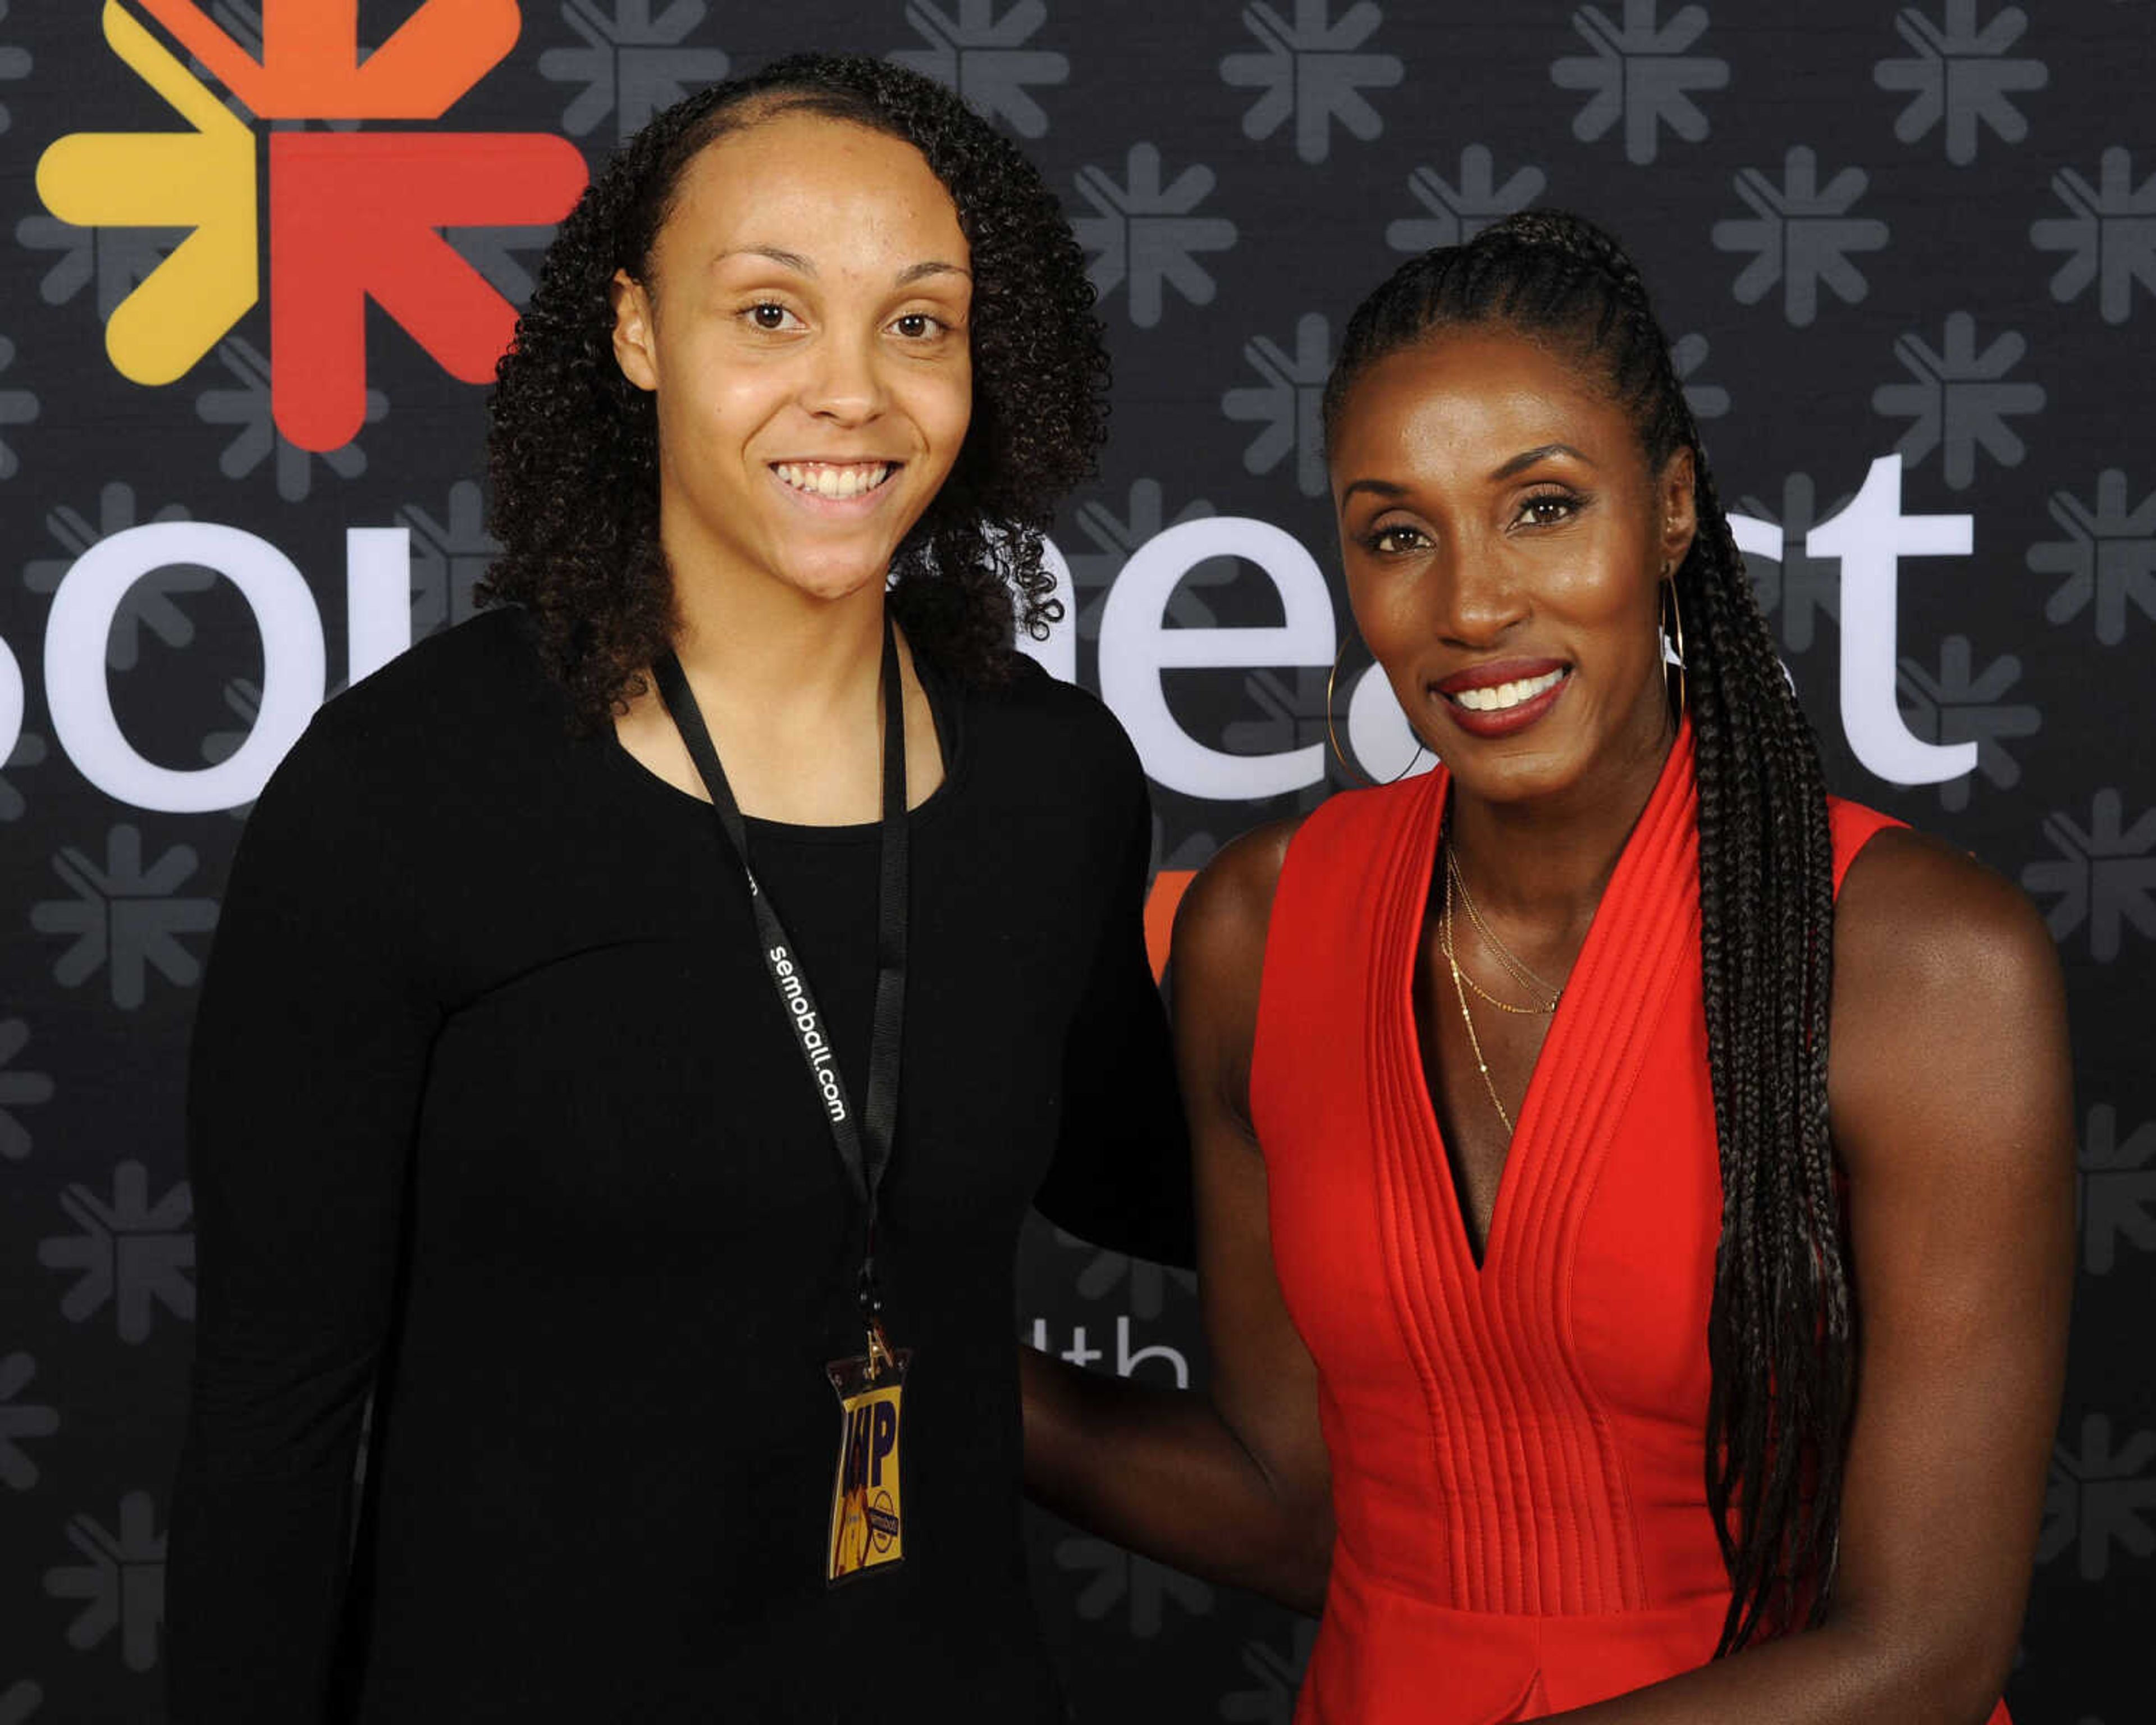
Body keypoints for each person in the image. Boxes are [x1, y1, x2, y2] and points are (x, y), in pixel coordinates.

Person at [168, 54, 1188, 1724]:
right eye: (771, 315)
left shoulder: (1050, 778)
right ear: (638, 333)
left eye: (917, 323)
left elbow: (1149, 1174)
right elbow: (272, 1427)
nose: (852, 392)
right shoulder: (405, 792)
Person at [1022, 212, 2072, 1723]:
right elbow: (1289, 1505)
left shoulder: (1929, 971)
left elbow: (1925, 1652)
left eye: (1543, 509)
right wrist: (887, 1361)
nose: (1470, 607)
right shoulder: (1260, 930)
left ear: (1670, 510)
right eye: (1399, 533)